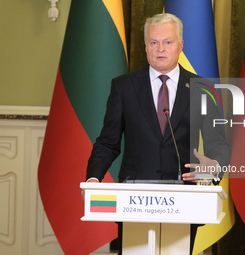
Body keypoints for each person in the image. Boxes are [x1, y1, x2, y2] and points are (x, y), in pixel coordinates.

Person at [84, 13, 231, 253]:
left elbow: (219, 145)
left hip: (185, 200)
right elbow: (108, 142)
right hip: (134, 201)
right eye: (154, 42)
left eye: (168, 42)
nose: (160, 48)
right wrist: (93, 179)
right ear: (145, 46)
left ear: (180, 45)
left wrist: (213, 165)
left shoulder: (203, 89)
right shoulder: (124, 86)